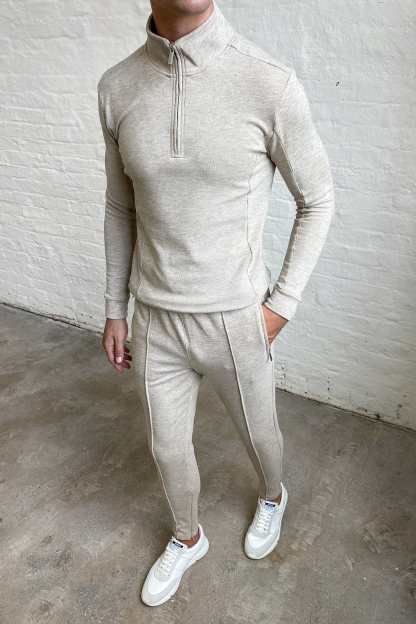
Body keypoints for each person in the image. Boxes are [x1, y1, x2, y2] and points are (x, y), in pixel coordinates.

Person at [97, 0, 335, 607]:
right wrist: (116, 307)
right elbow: (120, 206)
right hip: (154, 317)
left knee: (262, 437)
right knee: (165, 447)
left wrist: (281, 304)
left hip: (236, 319)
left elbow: (318, 199)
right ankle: (188, 536)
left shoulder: (268, 82)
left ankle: (273, 496)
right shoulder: (117, 87)